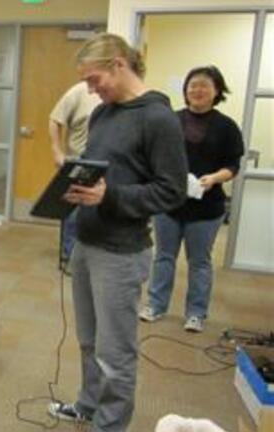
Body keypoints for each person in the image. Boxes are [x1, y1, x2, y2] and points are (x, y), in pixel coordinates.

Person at [47, 34, 187, 431]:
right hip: (86, 241)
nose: (91, 90)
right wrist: (74, 185)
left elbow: (172, 190)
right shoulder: (102, 114)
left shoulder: (158, 118)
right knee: (90, 342)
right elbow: (101, 171)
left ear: (119, 66)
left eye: (94, 80)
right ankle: (88, 406)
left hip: (121, 252)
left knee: (116, 353)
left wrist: (110, 197)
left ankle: (110, 425)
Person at [140, 66, 244, 333]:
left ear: (217, 91)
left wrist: (213, 178)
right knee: (163, 256)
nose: (197, 90)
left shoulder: (226, 126)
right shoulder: (171, 120)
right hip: (168, 204)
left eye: (204, 86)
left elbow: (233, 165)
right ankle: (155, 304)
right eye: (192, 85)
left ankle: (196, 313)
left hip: (207, 208)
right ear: (185, 90)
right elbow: (153, 156)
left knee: (199, 261)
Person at [49, 81, 101, 268]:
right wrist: (57, 151)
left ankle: (90, 256)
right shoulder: (79, 91)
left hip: (106, 161)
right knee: (73, 211)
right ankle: (68, 255)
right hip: (79, 159)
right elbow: (55, 119)